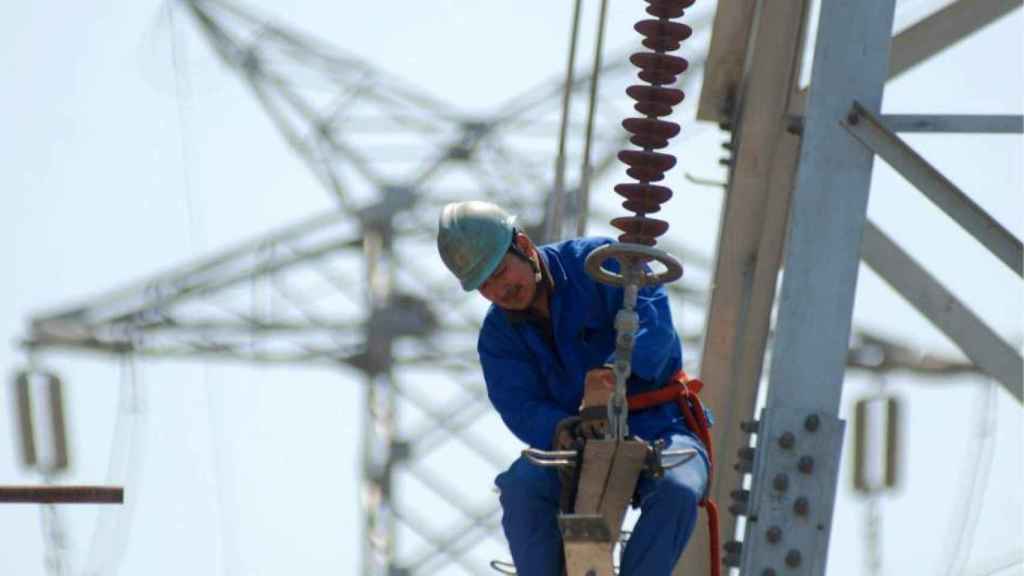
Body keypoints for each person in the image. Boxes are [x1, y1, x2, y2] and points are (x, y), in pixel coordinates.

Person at [436, 200, 709, 576]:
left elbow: (655, 331)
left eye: (501, 272)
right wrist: (561, 429)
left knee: (677, 487)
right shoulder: (499, 337)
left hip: (661, 424)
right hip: (575, 444)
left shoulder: (603, 265)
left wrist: (612, 374)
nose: (500, 290)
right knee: (521, 489)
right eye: (485, 285)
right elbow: (518, 404)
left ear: (525, 247)